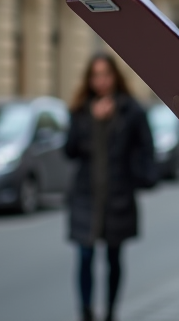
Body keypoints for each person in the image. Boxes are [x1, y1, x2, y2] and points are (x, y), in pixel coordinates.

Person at [65, 53, 157, 321]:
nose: (101, 81)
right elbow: (69, 150)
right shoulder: (81, 109)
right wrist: (92, 121)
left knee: (114, 258)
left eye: (106, 75)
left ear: (115, 77)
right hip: (86, 195)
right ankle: (85, 312)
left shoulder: (131, 110)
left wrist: (143, 177)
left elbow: (145, 148)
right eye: (95, 75)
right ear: (89, 79)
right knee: (84, 254)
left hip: (118, 195)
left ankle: (111, 312)